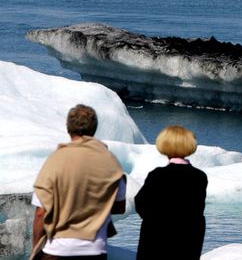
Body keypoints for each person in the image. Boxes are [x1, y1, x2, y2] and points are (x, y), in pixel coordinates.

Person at [31, 104, 126, 260]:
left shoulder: (55, 161)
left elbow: (41, 213)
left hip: (57, 250)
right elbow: (119, 206)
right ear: (94, 129)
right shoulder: (110, 161)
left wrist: (36, 248)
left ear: (69, 128)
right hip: (95, 250)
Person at [135, 125, 207, 260]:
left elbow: (140, 203)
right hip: (188, 240)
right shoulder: (199, 176)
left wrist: (153, 220)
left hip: (157, 238)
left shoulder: (157, 175)